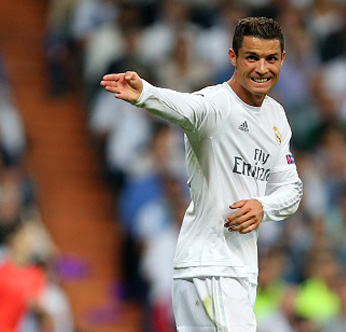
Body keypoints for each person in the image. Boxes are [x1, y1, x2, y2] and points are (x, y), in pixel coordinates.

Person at [100, 16, 303, 331]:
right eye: (252, 57)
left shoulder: (276, 117)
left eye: (270, 59)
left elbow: (292, 190)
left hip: (228, 268)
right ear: (232, 57)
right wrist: (146, 94)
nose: (262, 68)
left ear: (282, 60)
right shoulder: (216, 105)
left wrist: (264, 207)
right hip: (214, 269)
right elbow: (185, 107)